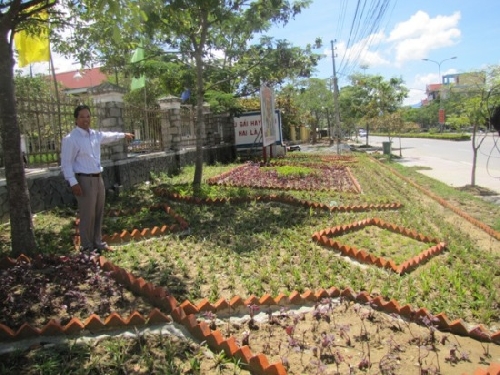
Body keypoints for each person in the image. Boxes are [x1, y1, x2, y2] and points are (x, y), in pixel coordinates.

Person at [61, 104, 135, 253]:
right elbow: (66, 163)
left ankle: (98, 242)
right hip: (84, 180)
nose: (85, 119)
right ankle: (87, 247)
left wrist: (123, 135)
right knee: (87, 214)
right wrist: (73, 182)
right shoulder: (71, 139)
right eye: (82, 116)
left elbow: (109, 136)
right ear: (76, 119)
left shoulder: (94, 134)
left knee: (99, 211)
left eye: (88, 116)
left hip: (98, 178)